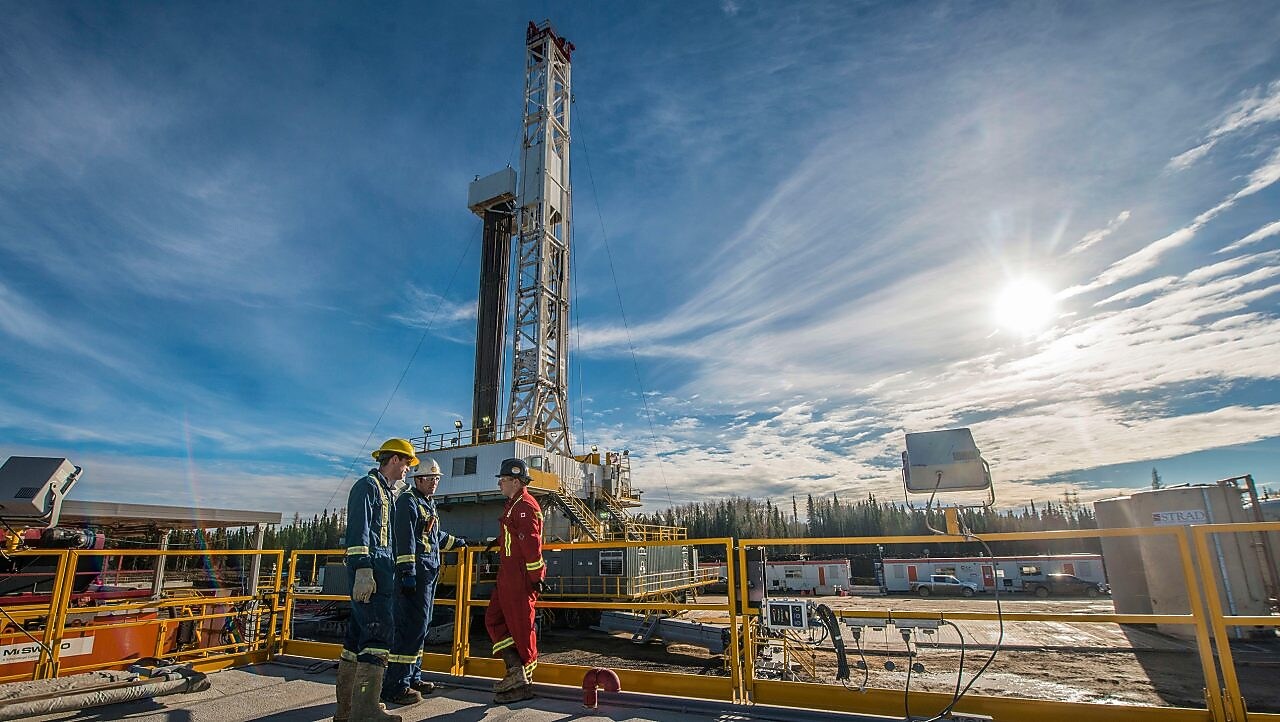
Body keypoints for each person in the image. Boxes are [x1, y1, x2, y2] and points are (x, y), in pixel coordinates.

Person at [335, 438, 416, 722]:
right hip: (373, 574)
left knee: (356, 639)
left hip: (382, 571)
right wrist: (362, 569)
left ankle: (346, 711)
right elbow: (359, 532)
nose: (408, 469)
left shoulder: (386, 492)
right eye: (407, 463)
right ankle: (365, 711)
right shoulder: (367, 488)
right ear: (394, 459)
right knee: (379, 636)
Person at [383, 459, 467, 705]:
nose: (434, 483)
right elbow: (405, 539)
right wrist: (407, 572)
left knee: (421, 627)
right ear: (417, 480)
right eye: (430, 479)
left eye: (437, 479)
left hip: (428, 576)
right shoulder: (408, 502)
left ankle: (413, 677)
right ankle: (396, 685)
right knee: (409, 628)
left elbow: (433, 535)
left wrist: (457, 542)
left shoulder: (428, 504)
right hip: (414, 576)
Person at [485, 457, 546, 704]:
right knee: (493, 619)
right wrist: (498, 543)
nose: (499, 483)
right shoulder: (513, 504)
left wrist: (536, 577)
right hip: (507, 575)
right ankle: (515, 671)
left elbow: (532, 545)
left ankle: (523, 682)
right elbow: (515, 538)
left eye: (503, 480)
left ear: (516, 481)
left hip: (519, 578)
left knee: (521, 629)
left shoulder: (525, 506)